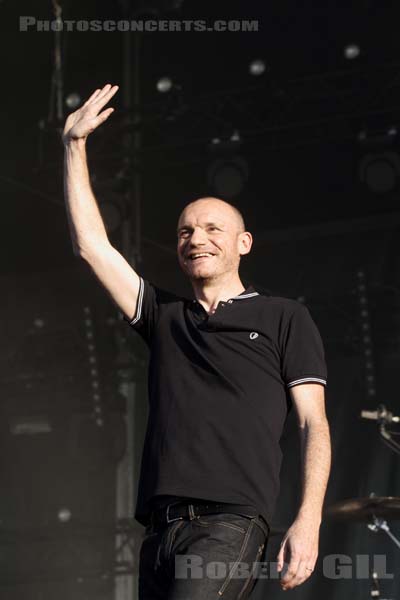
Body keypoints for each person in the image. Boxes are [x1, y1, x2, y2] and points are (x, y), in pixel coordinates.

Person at [63, 84, 331, 599]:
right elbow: (92, 247)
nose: (196, 239)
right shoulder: (165, 315)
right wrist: (74, 146)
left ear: (242, 244)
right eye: (186, 232)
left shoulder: (282, 316)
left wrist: (309, 519)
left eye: (212, 228)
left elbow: (312, 422)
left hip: (228, 524)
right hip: (159, 532)